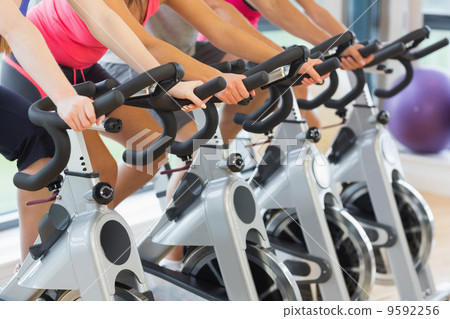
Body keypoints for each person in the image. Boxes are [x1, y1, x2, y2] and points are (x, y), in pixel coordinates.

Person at [0, 0, 211, 262]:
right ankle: (34, 274)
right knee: (64, 159)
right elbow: (16, 28)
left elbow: (104, 18)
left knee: (152, 149)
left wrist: (163, 82)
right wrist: (64, 97)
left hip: (80, 71)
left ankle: (82, 234)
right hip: (37, 68)